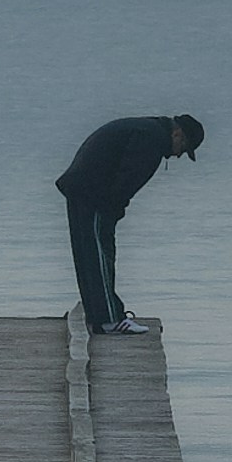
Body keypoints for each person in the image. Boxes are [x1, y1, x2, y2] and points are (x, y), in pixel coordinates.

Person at [54, 113, 203, 335]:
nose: (179, 154)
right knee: (99, 256)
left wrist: (114, 209)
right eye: (184, 146)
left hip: (82, 187)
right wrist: (113, 210)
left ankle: (98, 314)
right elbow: (127, 180)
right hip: (92, 193)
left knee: (88, 255)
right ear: (177, 132)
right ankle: (110, 319)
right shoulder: (152, 140)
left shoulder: (148, 129)